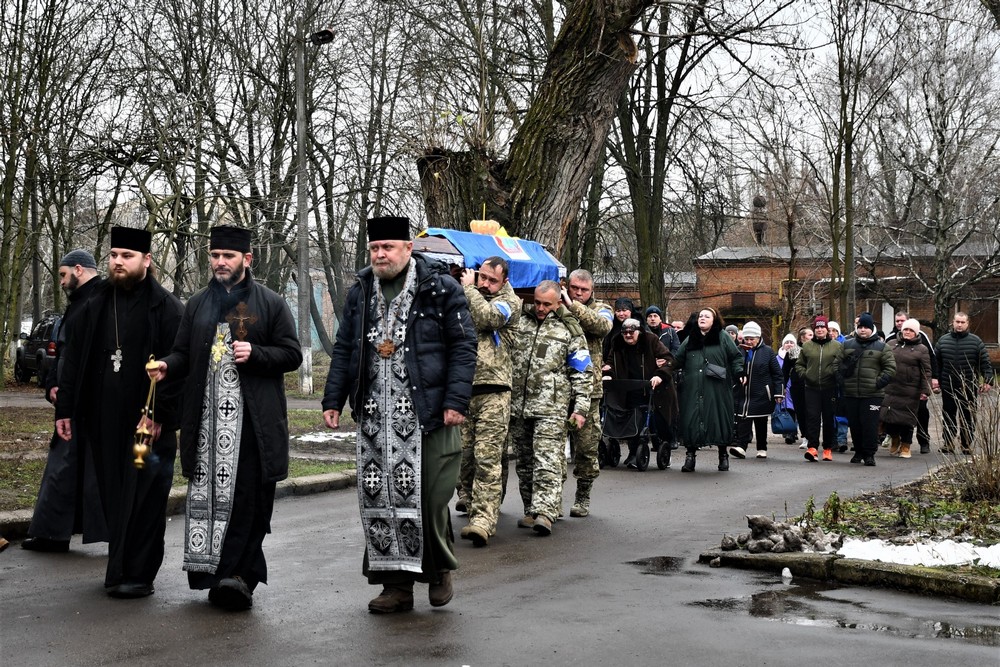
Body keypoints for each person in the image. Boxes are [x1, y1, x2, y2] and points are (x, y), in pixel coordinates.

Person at [322, 216, 476, 614]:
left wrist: (456, 402)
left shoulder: (440, 287)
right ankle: (396, 585)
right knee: (380, 496)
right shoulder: (360, 291)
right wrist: (332, 399)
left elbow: (463, 346)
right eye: (374, 248)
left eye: (388, 247)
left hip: (428, 412)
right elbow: (344, 348)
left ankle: (439, 569)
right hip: (375, 413)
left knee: (428, 496)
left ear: (409, 248)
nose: (380, 255)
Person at [147, 226, 302, 610]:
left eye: (228, 256)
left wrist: (258, 353)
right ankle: (214, 575)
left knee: (248, 500)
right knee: (209, 500)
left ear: (247, 259)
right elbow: (183, 352)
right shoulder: (198, 303)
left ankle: (239, 577)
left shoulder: (270, 303)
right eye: (215, 255)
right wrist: (168, 364)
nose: (220, 262)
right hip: (205, 425)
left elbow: (293, 354)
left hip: (252, 425)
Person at [55, 226, 184, 598]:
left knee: (145, 496)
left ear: (147, 260)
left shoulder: (167, 307)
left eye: (126, 256)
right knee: (114, 492)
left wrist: (161, 416)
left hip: (149, 424)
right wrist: (65, 409)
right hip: (104, 421)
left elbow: (180, 367)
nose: (117, 262)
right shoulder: (96, 303)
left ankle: (140, 575)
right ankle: (119, 568)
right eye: (113, 256)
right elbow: (73, 359)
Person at [23, 250, 108, 553]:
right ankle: (52, 533)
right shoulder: (78, 304)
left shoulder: (104, 301)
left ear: (79, 269)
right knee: (65, 467)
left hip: (94, 404)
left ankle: (56, 533)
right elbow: (64, 354)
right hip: (73, 400)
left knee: (86, 469)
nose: (60, 282)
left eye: (62, 275)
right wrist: (53, 384)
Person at [508, 280, 591, 535]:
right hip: (519, 406)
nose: (541, 308)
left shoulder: (569, 330)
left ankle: (545, 512)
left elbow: (582, 371)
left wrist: (581, 409)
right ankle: (532, 510)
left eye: (547, 304)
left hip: (552, 407)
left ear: (557, 303)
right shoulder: (520, 322)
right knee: (524, 463)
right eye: (538, 302)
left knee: (547, 460)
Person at [455, 257, 521, 547]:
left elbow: (488, 319)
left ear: (504, 281)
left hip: (494, 391)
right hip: (464, 390)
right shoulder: (469, 297)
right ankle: (471, 505)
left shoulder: (510, 302)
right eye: (481, 277)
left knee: (487, 457)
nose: (484, 283)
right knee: (464, 457)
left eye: (491, 280)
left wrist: (469, 290)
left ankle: (484, 519)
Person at [562, 269, 613, 518]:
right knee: (552, 448)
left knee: (586, 447)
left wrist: (573, 306)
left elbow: (602, 326)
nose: (579, 293)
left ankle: (583, 495)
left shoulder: (602, 308)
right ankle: (550, 499)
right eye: (574, 288)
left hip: (589, 391)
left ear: (592, 291)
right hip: (559, 388)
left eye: (584, 290)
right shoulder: (557, 305)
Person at [672, 308, 744, 472]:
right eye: (700, 316)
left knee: (718, 417)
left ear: (714, 320)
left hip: (716, 387)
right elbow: (678, 359)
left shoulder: (723, 337)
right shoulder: (691, 338)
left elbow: (736, 357)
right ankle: (690, 456)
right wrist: (665, 368)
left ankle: (722, 455)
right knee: (691, 418)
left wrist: (740, 372)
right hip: (692, 388)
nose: (702, 318)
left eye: (707, 316)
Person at [602, 318, 676, 468]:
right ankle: (632, 452)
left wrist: (660, 375)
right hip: (629, 387)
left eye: (631, 332)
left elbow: (668, 359)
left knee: (658, 422)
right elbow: (610, 362)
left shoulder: (651, 340)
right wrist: (608, 372)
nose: (628, 335)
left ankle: (660, 447)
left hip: (652, 388)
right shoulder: (617, 342)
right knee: (631, 419)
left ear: (639, 331)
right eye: (625, 332)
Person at [834, 312, 896, 466]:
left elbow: (890, 369)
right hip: (851, 393)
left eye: (866, 327)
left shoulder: (882, 347)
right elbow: (836, 364)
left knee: (870, 424)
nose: (862, 330)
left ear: (872, 328)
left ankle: (869, 454)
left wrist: (878, 383)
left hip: (872, 394)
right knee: (854, 424)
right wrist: (842, 380)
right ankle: (858, 452)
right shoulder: (847, 345)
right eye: (860, 327)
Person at [933, 312, 994, 455]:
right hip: (948, 386)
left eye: (962, 322)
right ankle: (948, 443)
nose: (959, 325)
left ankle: (966, 444)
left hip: (968, 386)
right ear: (952, 322)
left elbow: (985, 363)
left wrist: (988, 380)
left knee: (968, 416)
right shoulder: (943, 341)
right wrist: (935, 380)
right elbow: (936, 363)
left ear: (967, 324)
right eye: (957, 322)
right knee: (948, 415)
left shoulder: (976, 341)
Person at [729, 321, 783, 460]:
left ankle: (762, 448)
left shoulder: (768, 352)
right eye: (746, 339)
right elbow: (734, 368)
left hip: (761, 393)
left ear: (759, 338)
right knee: (743, 420)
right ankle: (742, 447)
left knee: (760, 421)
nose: (749, 341)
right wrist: (738, 376)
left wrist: (778, 393)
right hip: (743, 393)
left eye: (751, 339)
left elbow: (777, 374)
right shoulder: (739, 351)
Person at [885, 311, 937, 454]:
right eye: (904, 329)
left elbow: (928, 367)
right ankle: (894, 438)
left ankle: (913, 444)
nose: (907, 331)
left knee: (911, 417)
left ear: (916, 331)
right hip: (892, 387)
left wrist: (926, 389)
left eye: (910, 329)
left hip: (911, 389)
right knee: (889, 415)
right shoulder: (890, 342)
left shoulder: (922, 347)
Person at [795, 316, 842, 462]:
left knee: (828, 419)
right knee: (812, 418)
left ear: (827, 329)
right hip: (811, 387)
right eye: (817, 327)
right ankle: (812, 447)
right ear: (814, 330)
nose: (820, 330)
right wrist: (805, 375)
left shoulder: (836, 346)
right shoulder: (807, 346)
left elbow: (842, 363)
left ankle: (827, 449)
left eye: (822, 327)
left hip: (830, 387)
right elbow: (799, 364)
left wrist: (836, 375)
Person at [776, 333, 802, 444]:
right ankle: (788, 430)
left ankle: (793, 432)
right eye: (787, 342)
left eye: (792, 342)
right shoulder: (777, 358)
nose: (789, 345)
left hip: (795, 386)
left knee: (794, 409)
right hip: (783, 386)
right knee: (785, 409)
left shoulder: (798, 355)